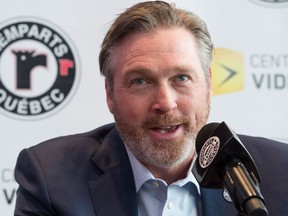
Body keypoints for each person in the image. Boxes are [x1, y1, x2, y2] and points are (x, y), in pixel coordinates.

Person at [14, 1, 288, 216]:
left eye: (181, 78)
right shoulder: (51, 179)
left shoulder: (279, 172)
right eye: (140, 81)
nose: (165, 103)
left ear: (208, 84)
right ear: (110, 94)